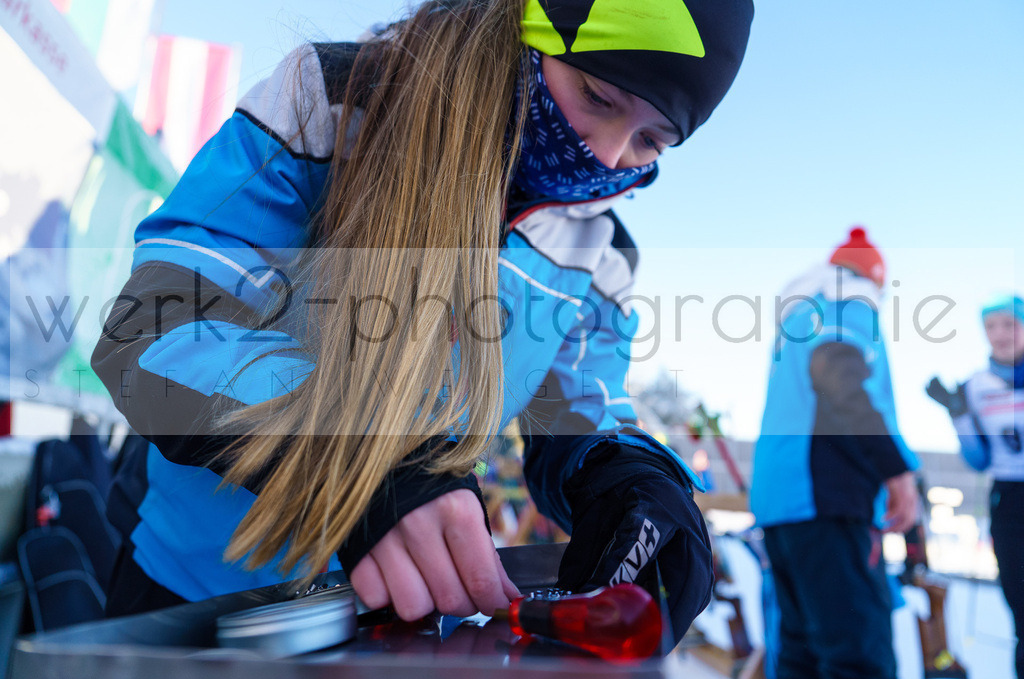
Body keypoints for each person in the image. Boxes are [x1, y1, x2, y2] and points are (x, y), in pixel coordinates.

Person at [90, 0, 754, 642]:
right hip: (198, 599)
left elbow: (583, 412)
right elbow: (156, 328)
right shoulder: (334, 101)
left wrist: (635, 481)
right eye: (598, 97)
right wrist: (367, 455)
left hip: (396, 629)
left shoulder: (602, 253)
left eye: (651, 139)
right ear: (530, 23)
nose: (608, 156)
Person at [749, 227, 920, 679]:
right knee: (858, 658)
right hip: (830, 502)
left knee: (801, 654)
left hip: (781, 506)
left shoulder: (799, 319)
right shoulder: (850, 298)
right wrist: (897, 471)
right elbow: (838, 373)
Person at [927, 294, 1024, 679]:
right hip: (1009, 499)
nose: (1000, 335)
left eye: (1009, 324)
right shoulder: (976, 386)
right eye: (991, 327)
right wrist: (959, 415)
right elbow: (977, 459)